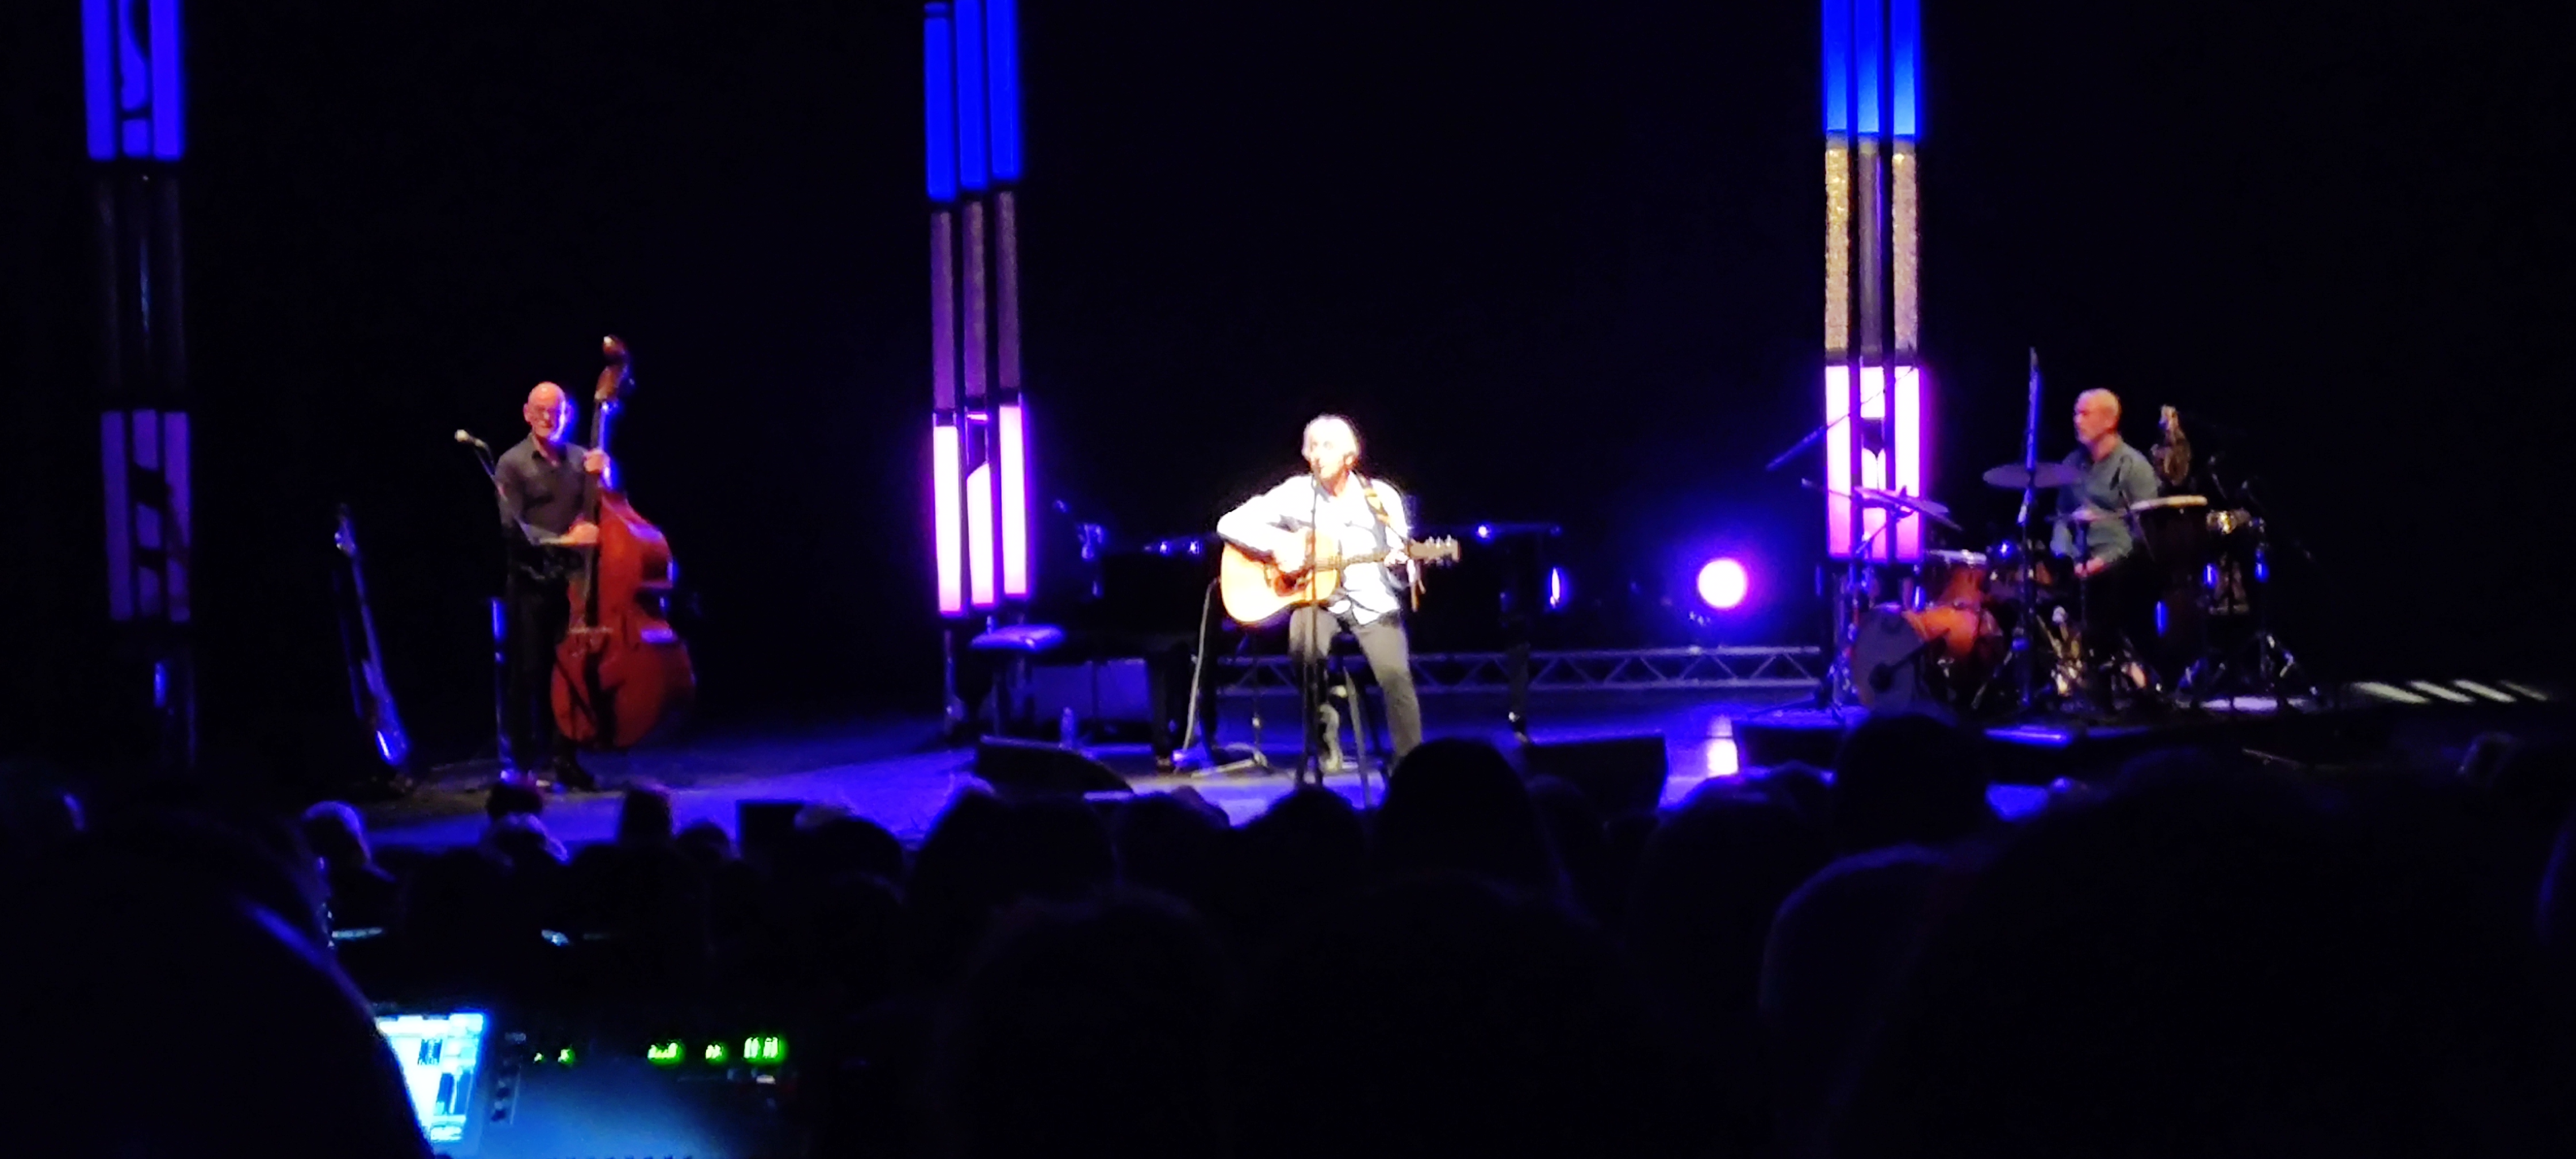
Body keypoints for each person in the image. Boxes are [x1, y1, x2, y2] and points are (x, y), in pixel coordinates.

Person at [1217, 415, 1423, 769]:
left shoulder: (1382, 496)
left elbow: (1403, 566)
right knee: (1304, 647)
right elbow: (1229, 523)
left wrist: (1401, 566)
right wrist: (1279, 544)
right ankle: (1324, 735)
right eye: (1312, 446)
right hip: (1317, 599)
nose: (1317, 454)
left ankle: (1413, 763)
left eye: (1327, 446)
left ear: (1350, 456)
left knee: (1395, 675)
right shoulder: (1297, 493)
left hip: (1371, 602)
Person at [494, 381, 605, 789]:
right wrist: (565, 540)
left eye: (556, 410)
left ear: (567, 415)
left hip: (574, 585)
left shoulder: (580, 459)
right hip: (531, 583)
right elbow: (513, 529)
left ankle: (565, 759)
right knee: (530, 674)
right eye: (541, 410)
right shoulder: (511, 463)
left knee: (571, 676)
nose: (548, 417)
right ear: (527, 414)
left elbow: (604, 508)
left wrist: (607, 475)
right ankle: (527, 765)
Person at [2048, 389, 2163, 707]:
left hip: (2121, 561)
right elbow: (2062, 517)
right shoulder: (2071, 464)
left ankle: (2108, 675)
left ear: (2110, 421)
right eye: (2076, 413)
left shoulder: (2133, 466)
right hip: (2079, 558)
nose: (2077, 420)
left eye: (2085, 413)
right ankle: (2062, 673)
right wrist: (2064, 555)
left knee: (2111, 586)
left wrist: (2102, 562)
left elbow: (2144, 531)